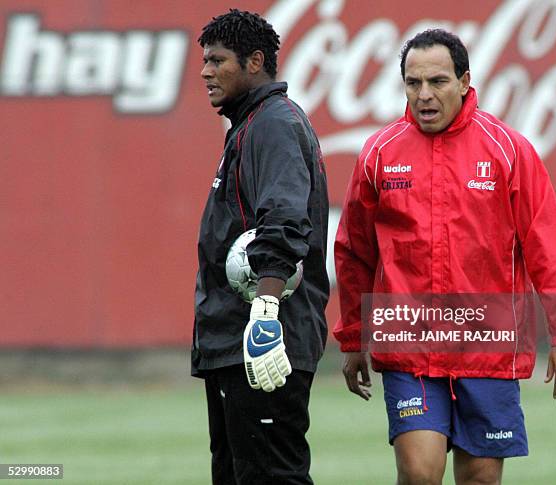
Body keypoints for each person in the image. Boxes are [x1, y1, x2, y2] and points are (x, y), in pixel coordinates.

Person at [334, 29, 556, 485]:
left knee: (480, 480)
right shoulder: (378, 154)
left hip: (486, 347)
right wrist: (354, 337)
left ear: (465, 81)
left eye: (438, 81)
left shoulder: (509, 149)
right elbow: (355, 251)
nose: (424, 95)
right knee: (419, 473)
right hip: (409, 344)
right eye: (413, 83)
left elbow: (549, 244)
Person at [191, 9, 329, 485]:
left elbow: (286, 222)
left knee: (273, 479)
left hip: (262, 341)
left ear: (255, 62)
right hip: (236, 341)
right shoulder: (249, 125)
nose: (206, 71)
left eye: (217, 60)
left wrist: (265, 312)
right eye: (204, 61)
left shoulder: (272, 123)